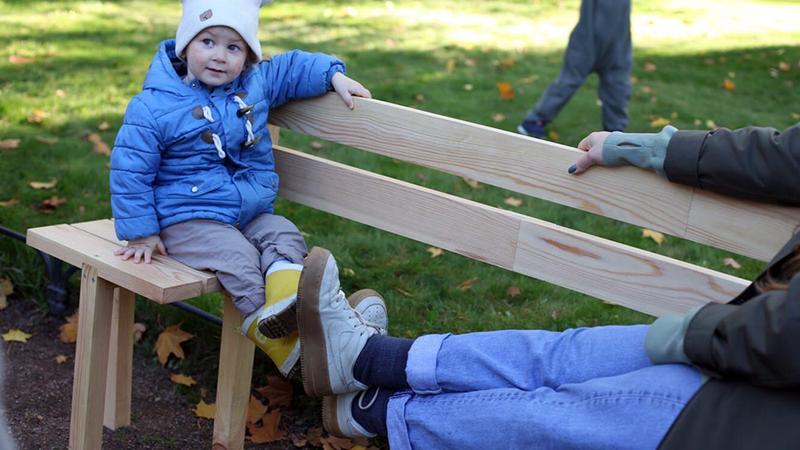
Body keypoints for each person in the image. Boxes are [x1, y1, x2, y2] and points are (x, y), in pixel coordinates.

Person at [294, 122, 800, 449]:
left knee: (559, 414)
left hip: (767, 410)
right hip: (755, 340)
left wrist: (697, 336)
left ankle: (378, 413)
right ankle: (369, 361)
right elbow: (785, 157)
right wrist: (646, 148)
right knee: (566, 355)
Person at [108, 0, 383, 378]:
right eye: (207, 41)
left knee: (283, 232)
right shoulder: (154, 106)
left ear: (248, 55)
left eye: (233, 47)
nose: (219, 56)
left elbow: (291, 68)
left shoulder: (253, 82)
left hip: (245, 212)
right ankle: (291, 351)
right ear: (185, 44)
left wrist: (332, 74)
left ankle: (304, 316)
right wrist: (141, 232)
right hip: (187, 218)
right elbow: (129, 169)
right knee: (237, 257)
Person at [517, 0, 632, 139]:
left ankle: (614, 131)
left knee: (617, 87)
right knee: (568, 81)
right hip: (586, 41)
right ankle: (534, 121)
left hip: (618, 44)